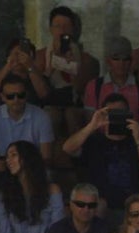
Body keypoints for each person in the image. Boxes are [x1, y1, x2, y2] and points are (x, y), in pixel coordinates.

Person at [63, 94, 139, 224]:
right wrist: (92, 125)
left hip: (129, 208)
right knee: (99, 205)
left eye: (121, 113)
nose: (116, 116)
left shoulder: (136, 142)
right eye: (112, 113)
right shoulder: (94, 141)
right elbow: (67, 148)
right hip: (99, 207)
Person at [33, 5, 99, 140]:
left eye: (66, 26)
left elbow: (82, 89)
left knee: (72, 116)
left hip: (74, 102)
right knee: (51, 116)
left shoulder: (87, 60)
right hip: (49, 102)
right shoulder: (39, 57)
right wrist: (52, 65)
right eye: (57, 26)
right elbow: (39, 91)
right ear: (51, 29)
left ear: (73, 29)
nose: (62, 30)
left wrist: (71, 65)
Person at [0, 140, 66, 233]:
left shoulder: (52, 190)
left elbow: (57, 228)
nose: (8, 160)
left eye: (13, 155)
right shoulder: (4, 193)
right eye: (7, 157)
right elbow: (3, 232)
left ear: (27, 157)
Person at [0, 74, 54, 173]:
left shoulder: (42, 117)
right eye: (10, 96)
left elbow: (46, 158)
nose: (16, 100)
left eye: (20, 95)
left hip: (33, 171)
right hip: (3, 171)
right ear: (2, 97)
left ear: (26, 95)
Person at [83, 36, 139, 136]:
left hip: (131, 139)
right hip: (101, 139)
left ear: (131, 61)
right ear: (108, 61)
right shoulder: (94, 86)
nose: (121, 63)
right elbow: (90, 124)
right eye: (116, 58)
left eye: (125, 59)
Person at [0, 37, 50, 106]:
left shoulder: (38, 76)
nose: (19, 57)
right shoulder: (3, 76)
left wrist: (29, 66)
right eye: (16, 54)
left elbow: (45, 95)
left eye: (23, 54)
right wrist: (9, 65)